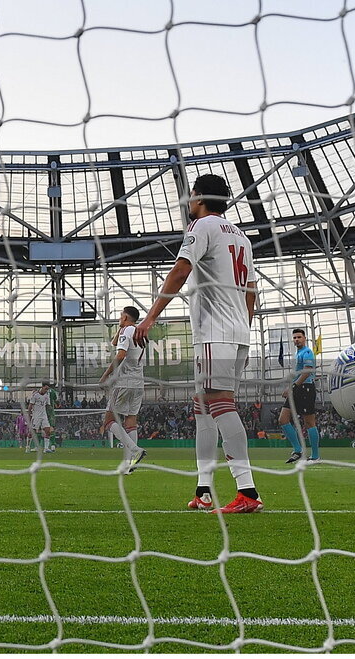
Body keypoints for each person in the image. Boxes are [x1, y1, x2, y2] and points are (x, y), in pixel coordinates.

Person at [134, 173, 261, 514]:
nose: (188, 203)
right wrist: (243, 333)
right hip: (236, 334)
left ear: (200, 198)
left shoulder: (201, 227)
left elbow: (180, 271)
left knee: (219, 404)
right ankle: (203, 490)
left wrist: (150, 317)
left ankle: (248, 491)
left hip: (214, 334)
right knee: (203, 406)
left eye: (190, 197)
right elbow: (251, 291)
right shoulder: (242, 238)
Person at [98, 306, 146, 473]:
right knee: (130, 421)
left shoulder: (127, 331)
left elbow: (120, 355)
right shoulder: (139, 331)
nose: (119, 318)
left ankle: (135, 450)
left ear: (125, 317)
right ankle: (128, 465)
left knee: (109, 421)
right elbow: (113, 342)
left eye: (120, 316)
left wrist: (105, 376)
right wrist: (121, 327)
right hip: (139, 382)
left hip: (124, 382)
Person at [280, 328, 319, 463]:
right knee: (283, 419)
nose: (296, 340)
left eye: (299, 337)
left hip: (306, 388)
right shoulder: (298, 354)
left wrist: (293, 387)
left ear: (304, 338)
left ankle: (315, 456)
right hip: (297, 388)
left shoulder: (307, 352)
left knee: (309, 422)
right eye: (295, 338)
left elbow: (307, 372)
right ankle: (298, 450)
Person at [27, 384, 53, 453]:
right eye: (46, 388)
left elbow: (48, 405)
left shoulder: (47, 395)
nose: (46, 390)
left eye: (47, 389)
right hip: (36, 416)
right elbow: (30, 406)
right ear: (42, 387)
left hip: (44, 415)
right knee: (33, 432)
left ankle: (46, 448)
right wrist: (29, 415)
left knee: (48, 431)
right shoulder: (35, 395)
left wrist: (51, 414)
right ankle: (28, 447)